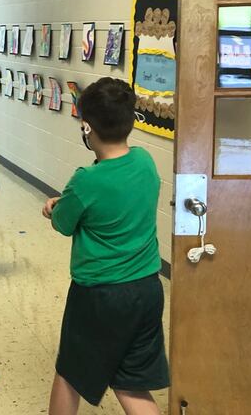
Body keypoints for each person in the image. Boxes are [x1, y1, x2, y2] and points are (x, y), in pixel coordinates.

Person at [41, 78, 169, 414]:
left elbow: (64, 223)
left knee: (70, 373)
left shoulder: (86, 180)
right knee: (130, 382)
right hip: (147, 289)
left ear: (87, 126)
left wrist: (55, 206)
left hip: (100, 295)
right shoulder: (145, 162)